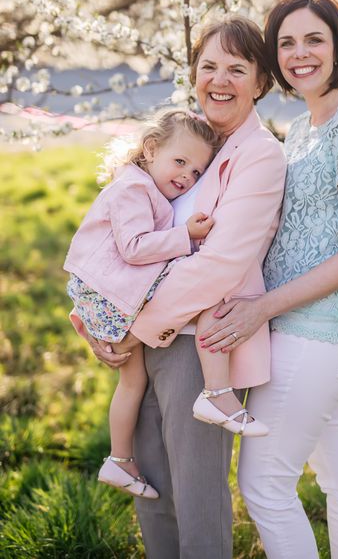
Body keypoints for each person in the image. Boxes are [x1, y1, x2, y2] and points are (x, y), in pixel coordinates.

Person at [70, 16, 287, 559]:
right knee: (155, 485)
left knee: (197, 496)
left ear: (260, 81)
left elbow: (221, 264)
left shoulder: (258, 154)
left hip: (195, 341)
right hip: (148, 334)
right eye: (209, 66)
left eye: (237, 69)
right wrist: (104, 319)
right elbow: (124, 241)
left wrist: (129, 325)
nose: (220, 79)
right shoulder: (188, 139)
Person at [200, 0, 338, 559]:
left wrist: (262, 307)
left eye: (314, 39)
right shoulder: (308, 127)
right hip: (312, 330)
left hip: (320, 332)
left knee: (263, 486)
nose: (299, 53)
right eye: (286, 42)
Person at [64, 109, 220, 498]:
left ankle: (119, 461)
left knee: (133, 380)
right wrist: (185, 237)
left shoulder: (145, 186)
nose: (187, 176)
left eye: (197, 172)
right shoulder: (133, 188)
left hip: (106, 290)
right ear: (151, 149)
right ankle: (218, 392)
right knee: (201, 294)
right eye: (180, 162)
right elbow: (133, 248)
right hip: (106, 291)